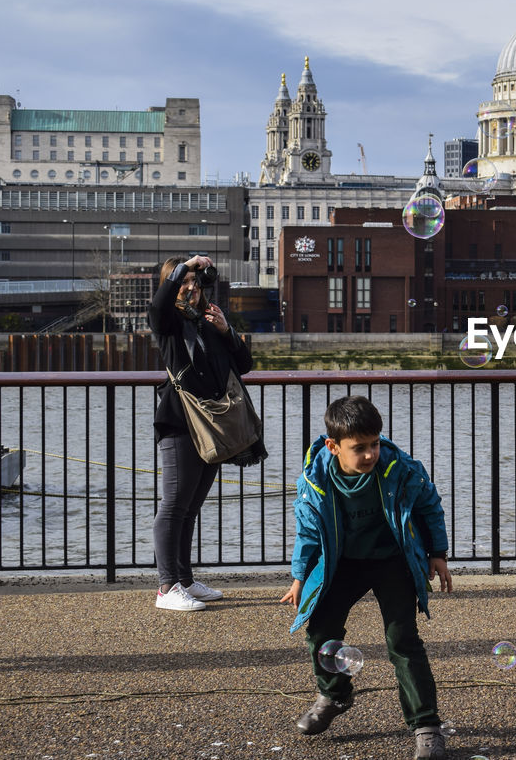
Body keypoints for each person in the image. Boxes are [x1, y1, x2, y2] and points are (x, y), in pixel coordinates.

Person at [280, 395, 452, 760]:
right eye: (359, 448)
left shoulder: (400, 468)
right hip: (342, 563)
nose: (371, 454)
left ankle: (426, 725)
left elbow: (429, 504)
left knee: (402, 640)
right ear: (333, 446)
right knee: (320, 631)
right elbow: (308, 532)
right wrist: (299, 577)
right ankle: (335, 695)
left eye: (374, 444)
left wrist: (438, 553)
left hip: (394, 559)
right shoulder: (314, 481)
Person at [149, 253, 263, 611]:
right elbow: (157, 306)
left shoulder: (206, 322)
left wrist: (226, 330)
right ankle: (166, 588)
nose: (192, 287)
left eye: (196, 282)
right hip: (181, 422)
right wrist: (186, 265)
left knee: (190, 506)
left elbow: (244, 365)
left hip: (215, 424)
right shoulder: (167, 323)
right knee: (172, 506)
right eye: (184, 282)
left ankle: (184, 580)